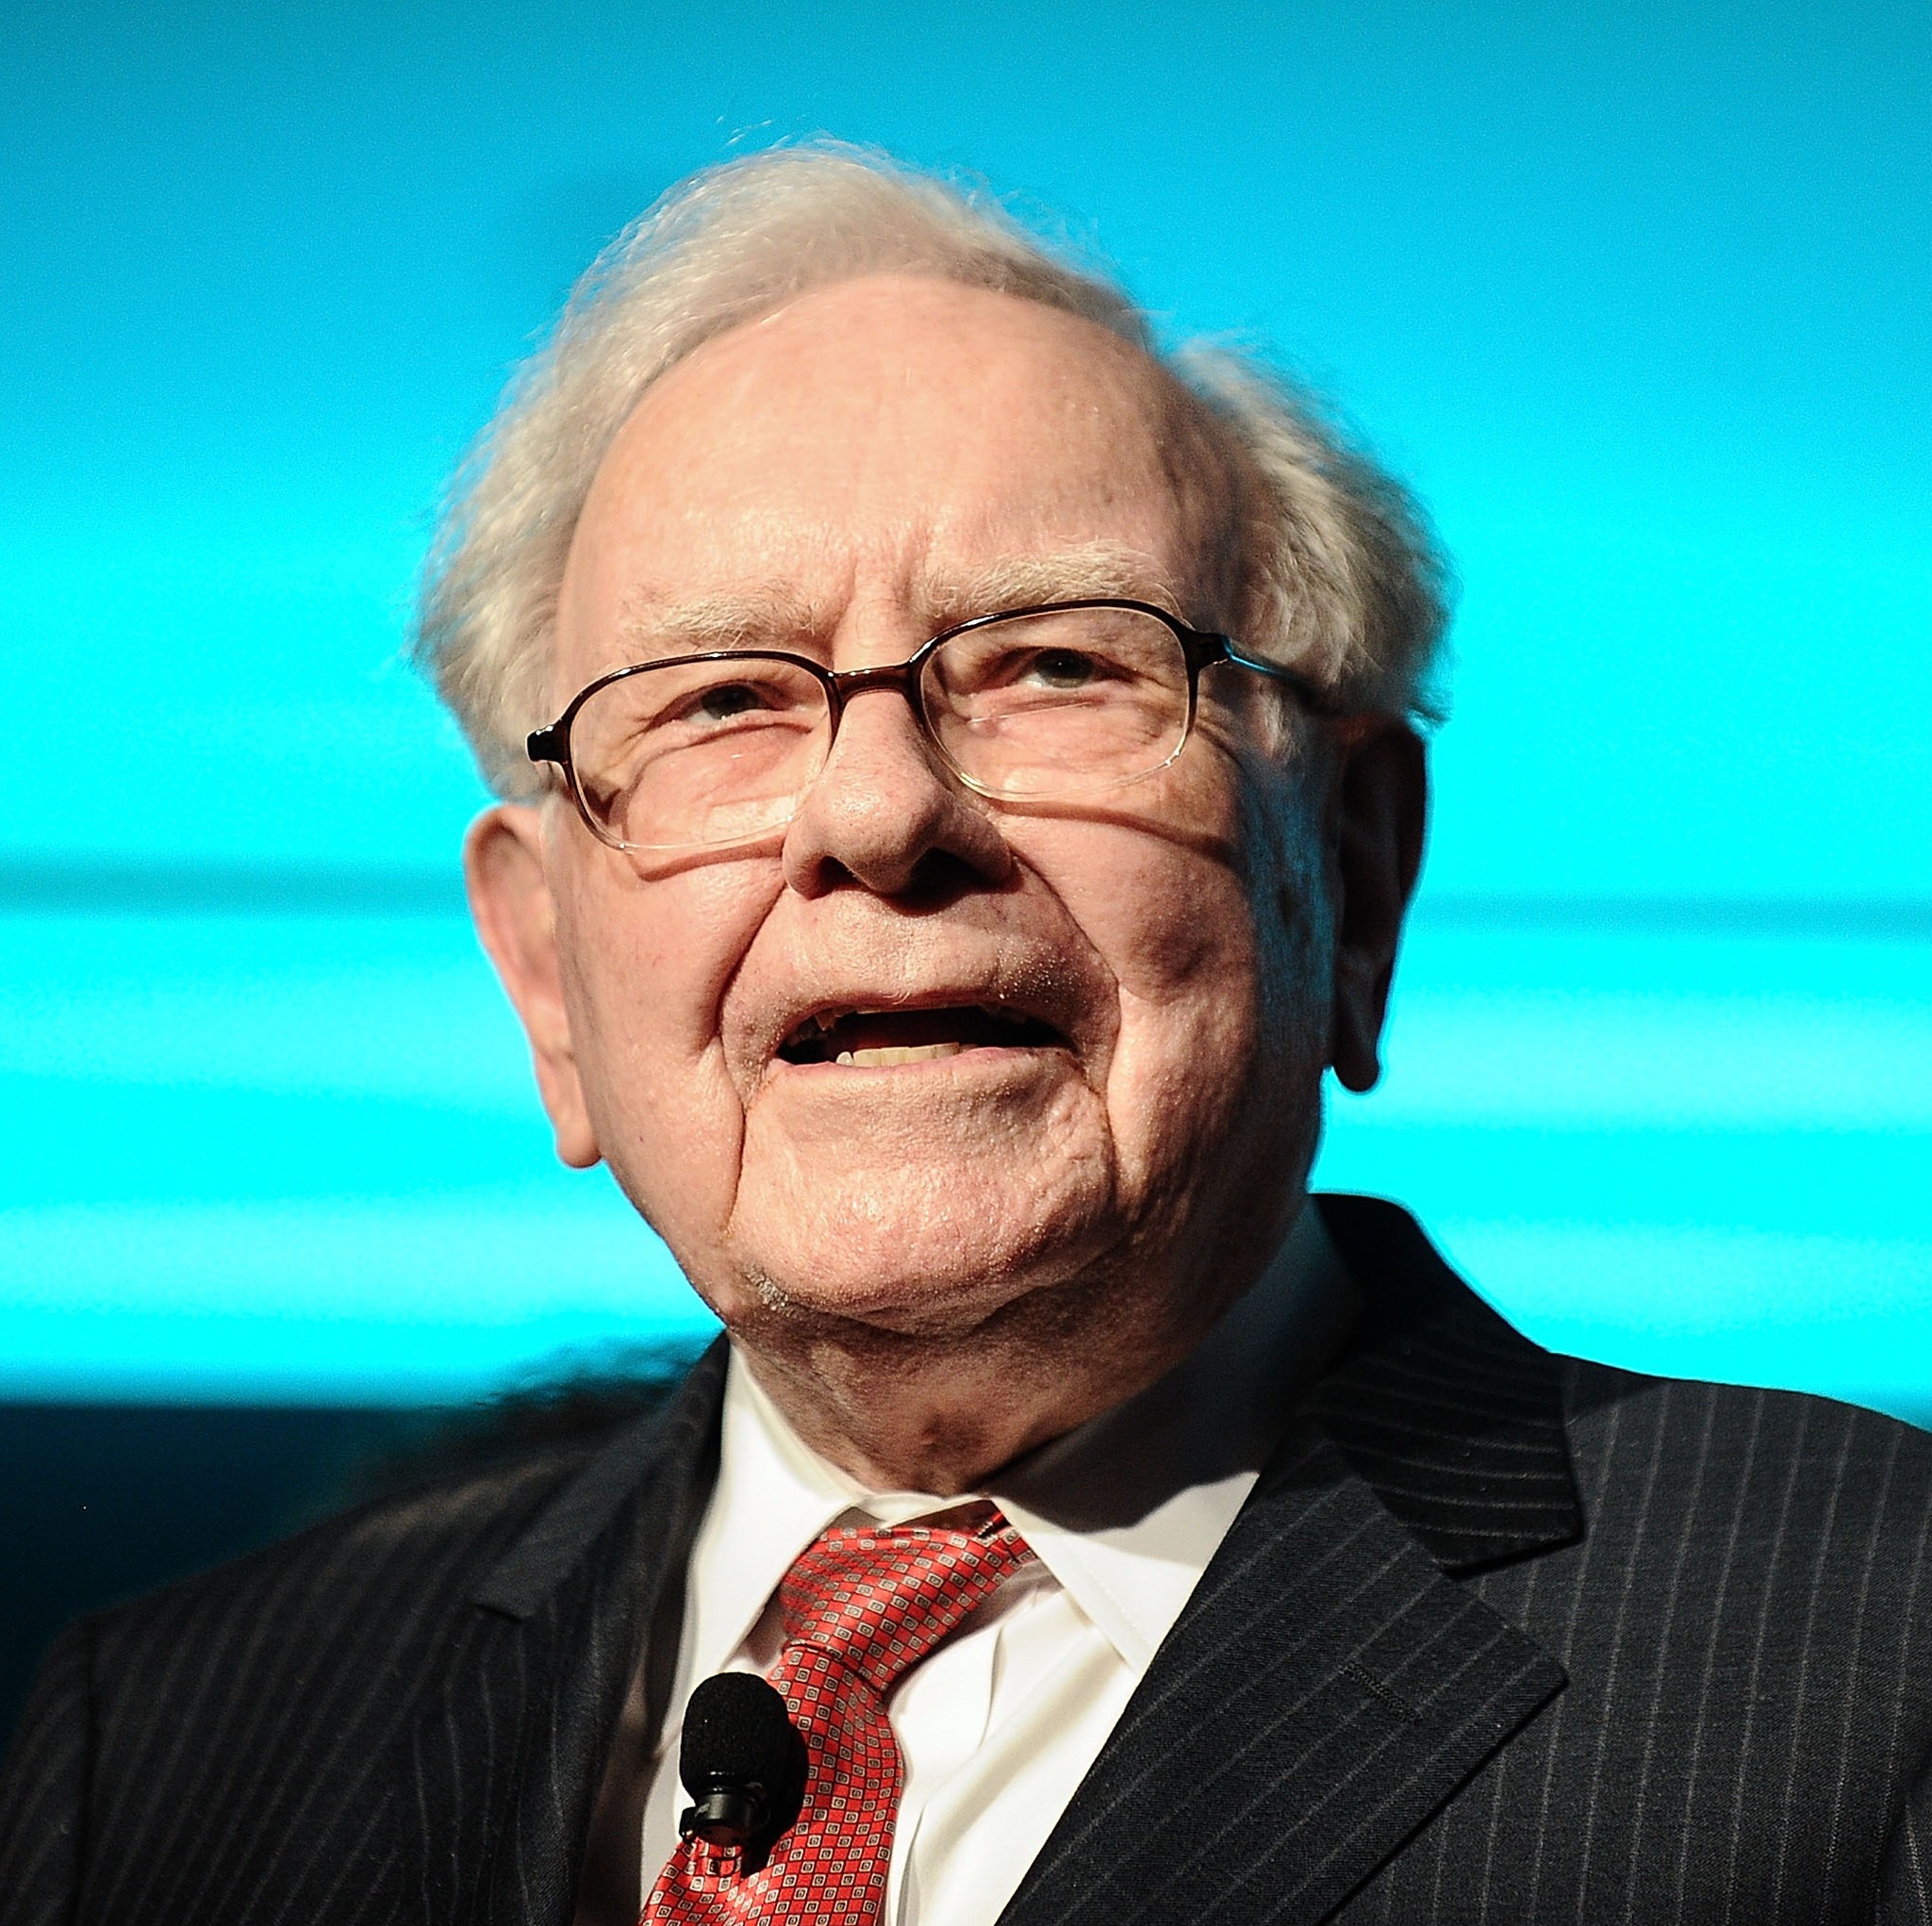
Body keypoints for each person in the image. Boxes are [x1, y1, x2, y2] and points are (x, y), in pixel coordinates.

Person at [3, 142, 1930, 1926]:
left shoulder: (1874, 1653)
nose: (874, 814)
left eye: (1051, 663)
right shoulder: (154, 1752)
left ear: (1344, 868)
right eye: (718, 702)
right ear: (543, 976)